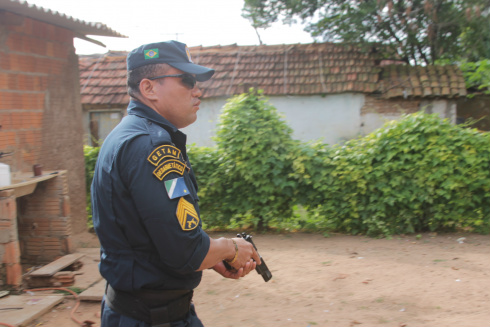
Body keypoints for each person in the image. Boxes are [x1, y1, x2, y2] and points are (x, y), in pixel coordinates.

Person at [91, 40, 261, 327]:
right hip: (151, 318)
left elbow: (158, 234)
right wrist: (230, 248)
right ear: (149, 88)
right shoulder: (150, 146)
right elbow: (186, 252)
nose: (198, 90)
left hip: (145, 310)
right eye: (186, 80)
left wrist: (211, 256)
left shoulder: (130, 135)